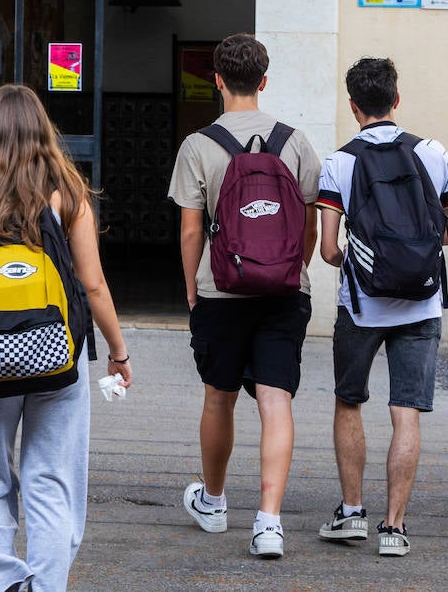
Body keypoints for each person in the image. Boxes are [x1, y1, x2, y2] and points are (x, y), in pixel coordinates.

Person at [0, 84, 132, 592]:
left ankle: (4, 581)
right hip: (59, 358)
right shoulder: (68, 192)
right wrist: (118, 352)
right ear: (43, 130)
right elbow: (93, 284)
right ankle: (46, 587)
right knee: (51, 481)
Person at [167, 32, 320, 559]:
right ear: (264, 80)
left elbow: (191, 231)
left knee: (219, 395)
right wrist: (290, 272)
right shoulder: (295, 142)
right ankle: (269, 522)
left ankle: (212, 502)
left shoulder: (198, 144)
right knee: (276, 400)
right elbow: (308, 227)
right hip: (283, 291)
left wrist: (192, 286)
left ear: (217, 81)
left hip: (220, 292)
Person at [315, 57, 448, 557]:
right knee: (407, 414)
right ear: (396, 101)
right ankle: (394, 529)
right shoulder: (432, 152)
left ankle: (352, 513)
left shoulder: (341, 162)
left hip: (361, 308)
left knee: (349, 402)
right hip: (422, 307)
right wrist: (415, 255)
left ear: (353, 105)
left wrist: (369, 260)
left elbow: (329, 250)